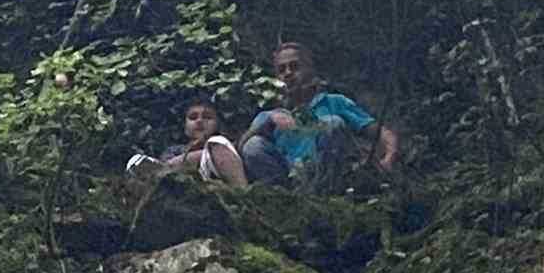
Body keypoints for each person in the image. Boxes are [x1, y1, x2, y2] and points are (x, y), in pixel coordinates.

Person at [238, 42, 399, 192]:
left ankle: (324, 193)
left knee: (332, 123)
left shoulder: (333, 102)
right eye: (282, 70)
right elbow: (242, 149)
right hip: (288, 180)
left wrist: (389, 158)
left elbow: (381, 133)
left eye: (294, 67)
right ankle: (287, 199)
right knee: (253, 145)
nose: (288, 73)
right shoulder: (270, 116)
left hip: (329, 177)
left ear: (309, 69)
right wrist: (266, 122)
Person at [126, 97, 248, 188]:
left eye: (207, 117)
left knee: (216, 142)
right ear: (185, 127)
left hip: (225, 189)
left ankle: (244, 196)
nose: (199, 121)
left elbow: (167, 168)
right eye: (193, 117)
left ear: (217, 124)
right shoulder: (174, 151)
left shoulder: (228, 145)